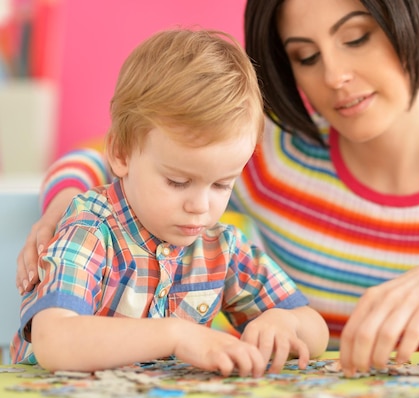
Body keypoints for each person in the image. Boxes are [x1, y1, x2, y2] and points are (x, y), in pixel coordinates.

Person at [15, 0, 419, 377]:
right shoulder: (272, 152)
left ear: (406, 16)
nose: (334, 77)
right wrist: (66, 208)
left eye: (356, 38)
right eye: (304, 56)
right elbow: (106, 156)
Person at [9, 28, 329, 375]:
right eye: (178, 182)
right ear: (120, 153)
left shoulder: (221, 247)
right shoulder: (89, 230)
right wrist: (175, 335)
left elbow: (315, 329)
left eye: (222, 184)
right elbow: (55, 341)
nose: (200, 206)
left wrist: (284, 323)